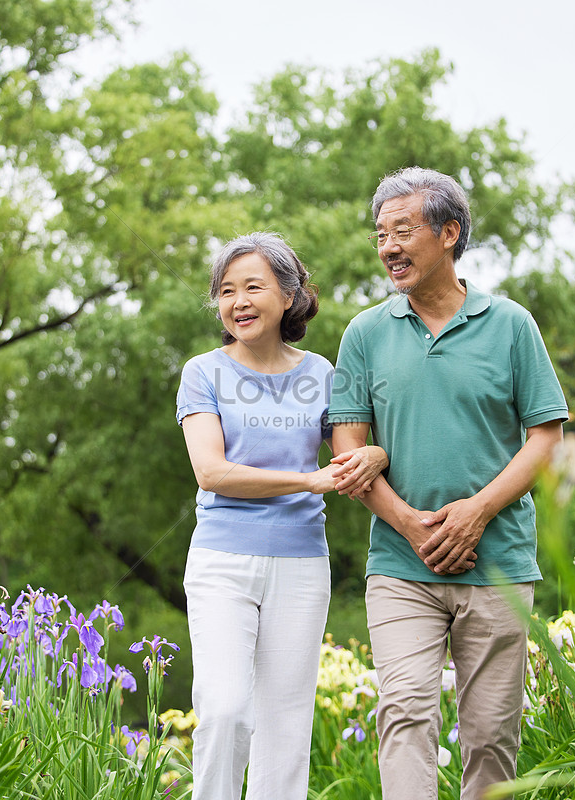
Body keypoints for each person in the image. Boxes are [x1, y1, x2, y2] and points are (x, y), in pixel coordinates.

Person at [329, 167, 569, 800]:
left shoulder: (512, 326)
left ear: (449, 233)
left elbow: (546, 437)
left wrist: (477, 513)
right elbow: (347, 447)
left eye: (403, 231)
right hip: (400, 564)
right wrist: (411, 523)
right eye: (381, 235)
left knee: (490, 734)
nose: (388, 248)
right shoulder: (366, 333)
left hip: (497, 562)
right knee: (405, 710)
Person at [176, 232, 387, 800]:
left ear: (289, 296)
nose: (237, 301)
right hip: (222, 561)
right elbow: (212, 474)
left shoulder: (322, 373)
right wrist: (307, 480)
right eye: (226, 291)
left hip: (300, 566)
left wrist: (376, 453)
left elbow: (349, 455)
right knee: (223, 711)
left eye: (252, 287)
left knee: (286, 727)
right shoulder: (203, 372)